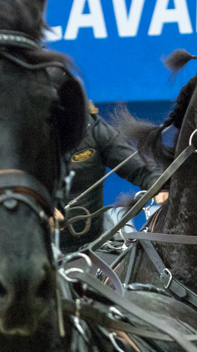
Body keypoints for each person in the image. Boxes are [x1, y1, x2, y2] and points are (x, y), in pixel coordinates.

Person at [61, 100, 165, 255]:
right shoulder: (26, 136)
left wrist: (160, 185)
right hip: (39, 246)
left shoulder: (94, 130)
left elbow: (138, 167)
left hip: (94, 243)